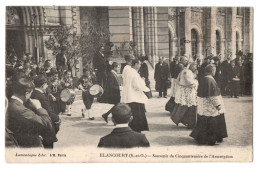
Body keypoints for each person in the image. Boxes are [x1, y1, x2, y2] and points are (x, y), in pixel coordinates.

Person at [6, 76, 53, 148]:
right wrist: (39, 107)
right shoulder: (20, 110)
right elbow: (47, 123)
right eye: (30, 93)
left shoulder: (10, 103)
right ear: (26, 93)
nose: (30, 95)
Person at [190, 64, 227, 145]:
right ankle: (211, 140)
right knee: (212, 122)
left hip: (203, 103)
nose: (215, 71)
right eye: (214, 70)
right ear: (212, 71)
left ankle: (201, 139)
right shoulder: (210, 80)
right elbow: (212, 95)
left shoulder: (204, 78)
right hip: (209, 105)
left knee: (203, 122)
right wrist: (218, 105)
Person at [30, 75, 61, 148]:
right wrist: (57, 118)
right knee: (48, 147)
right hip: (45, 126)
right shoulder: (41, 96)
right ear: (43, 85)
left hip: (35, 123)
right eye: (46, 84)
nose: (47, 86)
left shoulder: (33, 93)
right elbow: (49, 113)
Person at [121, 58, 150, 133]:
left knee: (132, 114)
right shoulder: (134, 73)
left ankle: (130, 128)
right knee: (137, 114)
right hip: (135, 97)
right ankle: (136, 130)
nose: (140, 65)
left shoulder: (128, 71)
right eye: (139, 64)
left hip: (129, 96)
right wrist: (143, 82)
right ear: (136, 64)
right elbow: (137, 86)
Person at [170, 63, 198, 129]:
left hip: (184, 91)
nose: (195, 68)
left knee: (185, 107)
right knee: (190, 108)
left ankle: (186, 122)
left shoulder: (184, 71)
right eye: (195, 66)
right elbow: (190, 82)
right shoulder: (188, 72)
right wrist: (196, 82)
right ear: (191, 66)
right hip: (188, 92)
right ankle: (190, 123)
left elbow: (178, 80)